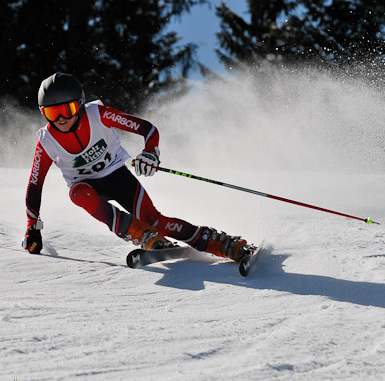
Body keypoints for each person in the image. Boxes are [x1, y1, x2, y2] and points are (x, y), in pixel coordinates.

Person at [23, 72, 251, 262]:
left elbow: (148, 129)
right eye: (52, 113)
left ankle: (224, 244)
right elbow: (35, 186)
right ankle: (143, 235)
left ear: (80, 105)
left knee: (155, 220)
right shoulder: (46, 142)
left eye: (67, 109)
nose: (61, 119)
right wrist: (32, 227)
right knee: (78, 194)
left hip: (117, 177)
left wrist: (150, 152)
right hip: (85, 186)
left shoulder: (98, 115)